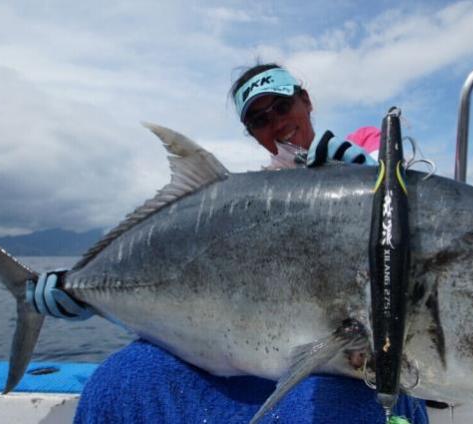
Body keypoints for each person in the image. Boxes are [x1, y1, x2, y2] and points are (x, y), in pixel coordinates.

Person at [74, 64, 429, 424]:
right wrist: (82, 294)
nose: (275, 122)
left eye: (281, 106)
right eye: (259, 120)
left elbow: (428, 234)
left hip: (354, 362)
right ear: (252, 133)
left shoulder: (368, 147)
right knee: (121, 379)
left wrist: (372, 176)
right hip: (271, 352)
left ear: (305, 101)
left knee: (323, 406)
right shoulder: (255, 199)